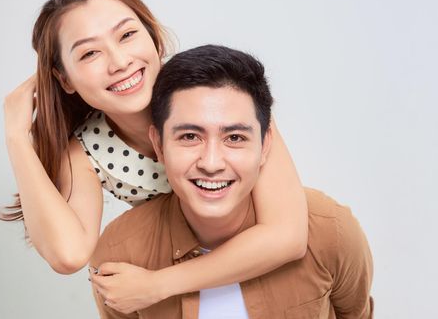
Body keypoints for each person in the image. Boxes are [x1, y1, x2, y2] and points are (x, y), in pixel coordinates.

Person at [0, 0, 308, 313]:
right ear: (65, 79)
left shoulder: (215, 88)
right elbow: (69, 254)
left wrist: (158, 284)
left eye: (128, 35)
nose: (119, 62)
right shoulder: (87, 150)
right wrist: (17, 139)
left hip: (268, 274)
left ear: (154, 38)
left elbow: (287, 236)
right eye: (89, 53)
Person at [90, 45, 374, 318]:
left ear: (265, 146)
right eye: (190, 136)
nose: (211, 163)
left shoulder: (329, 231)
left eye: (234, 138)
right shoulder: (119, 254)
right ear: (159, 145)